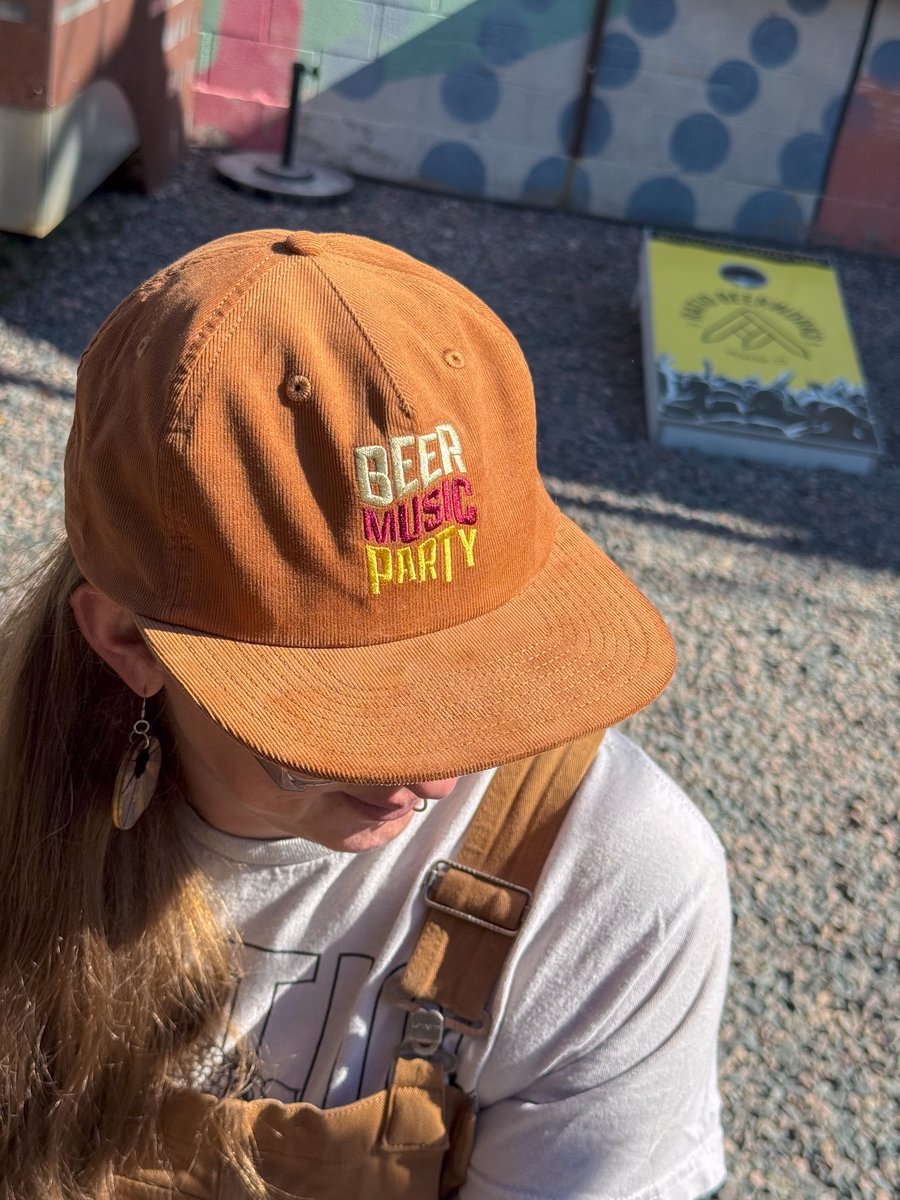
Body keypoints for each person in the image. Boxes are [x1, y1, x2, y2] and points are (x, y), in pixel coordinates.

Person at [0, 229, 730, 1200]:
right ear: (128, 646)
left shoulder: (616, 877)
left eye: (483, 687)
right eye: (341, 732)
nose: (437, 779)